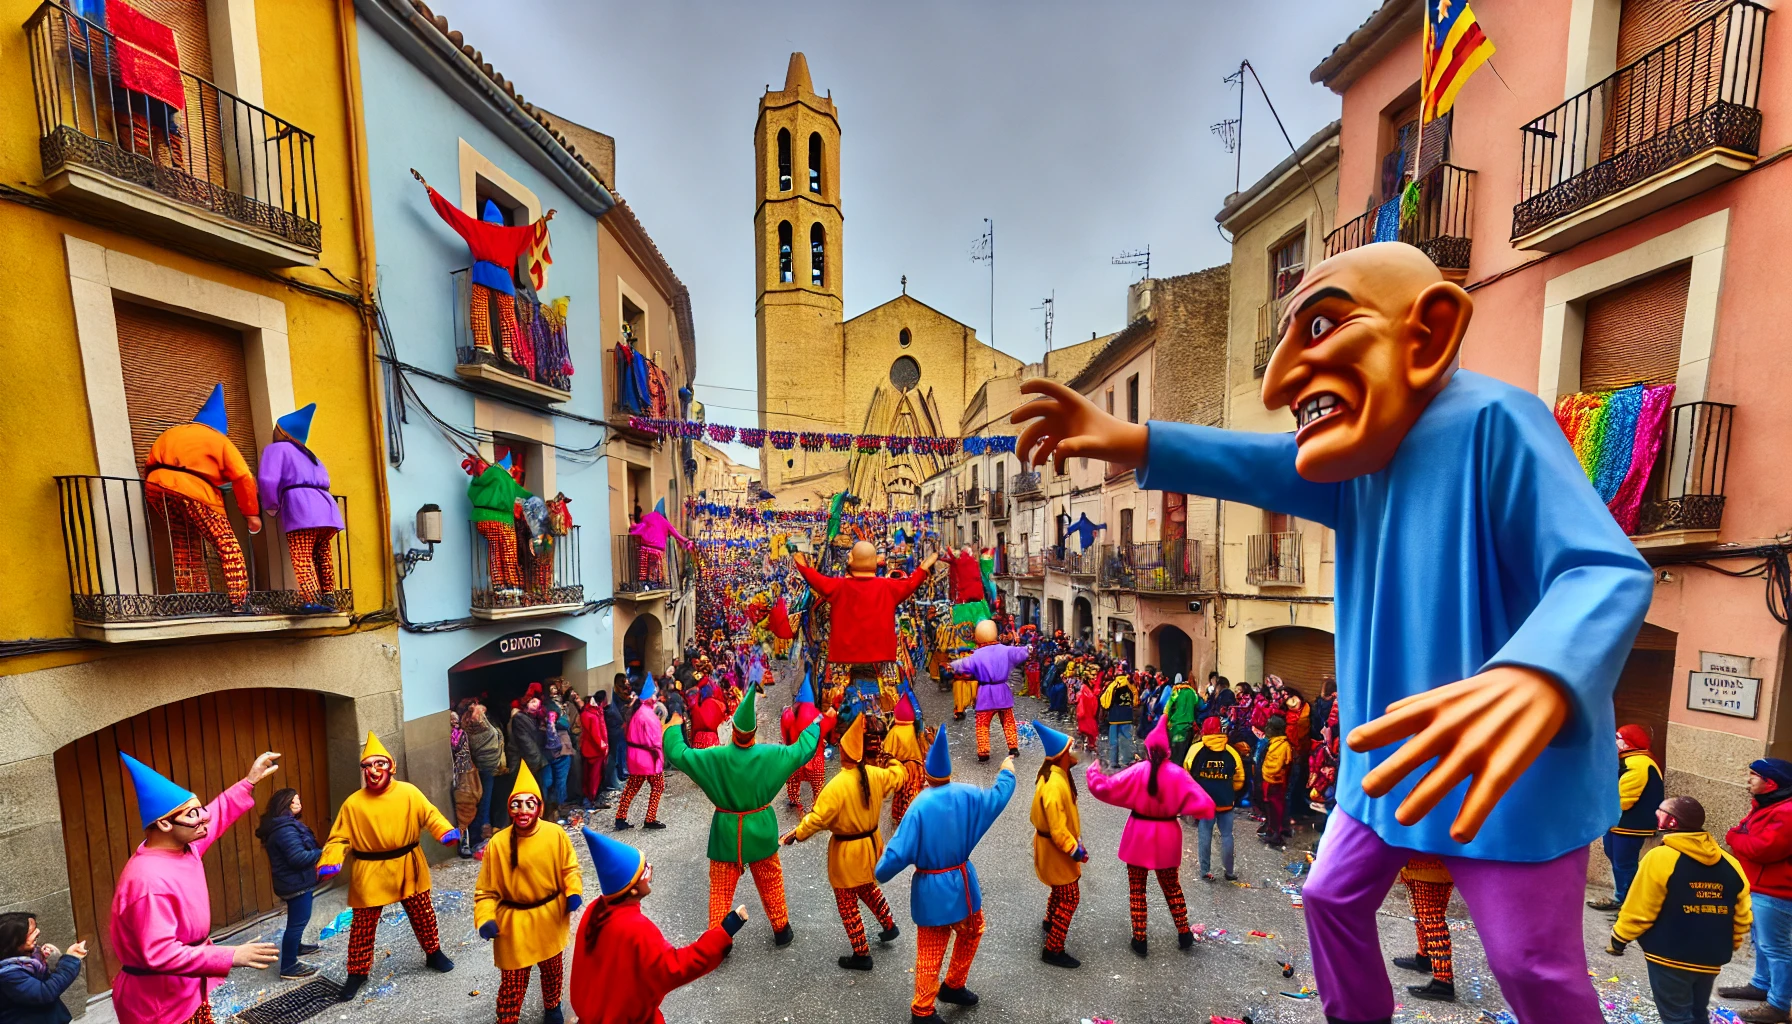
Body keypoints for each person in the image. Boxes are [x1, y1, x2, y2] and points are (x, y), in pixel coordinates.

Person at [1010, 241, 1657, 1024]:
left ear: (1429, 335)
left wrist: (1537, 674)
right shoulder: (1355, 461)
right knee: (1328, 899)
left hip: (1506, 773)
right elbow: (1253, 461)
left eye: (1318, 326)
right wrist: (1135, 441)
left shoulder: (1497, 420)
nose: (1281, 380)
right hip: (1384, 764)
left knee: (1531, 966)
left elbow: (1604, 569)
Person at [110, 752, 280, 1024]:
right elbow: (161, 953)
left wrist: (248, 782)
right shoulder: (148, 882)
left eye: (200, 810)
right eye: (193, 814)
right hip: (160, 1006)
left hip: (186, 990)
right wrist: (230, 954)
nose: (204, 819)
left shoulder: (183, 846)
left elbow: (218, 813)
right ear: (165, 823)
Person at [876, 731, 1015, 1024]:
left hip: (931, 892)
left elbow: (890, 863)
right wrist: (1006, 771)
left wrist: (880, 868)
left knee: (931, 950)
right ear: (949, 771)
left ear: (926, 775)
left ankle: (925, 1007)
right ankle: (952, 985)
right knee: (973, 931)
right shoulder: (968, 794)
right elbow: (998, 797)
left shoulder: (918, 807)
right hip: (963, 885)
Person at [663, 686, 819, 946]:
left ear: (733, 730)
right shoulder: (773, 755)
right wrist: (818, 721)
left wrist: (673, 727)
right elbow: (804, 748)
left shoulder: (715, 757)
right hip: (761, 830)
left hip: (727, 833)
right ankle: (782, 930)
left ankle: (717, 943)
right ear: (754, 732)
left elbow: (679, 754)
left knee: (721, 892)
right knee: (771, 882)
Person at [318, 733, 460, 1002]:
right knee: (362, 926)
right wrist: (330, 860)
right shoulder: (353, 803)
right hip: (369, 871)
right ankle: (357, 973)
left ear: (390, 766)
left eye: (379, 764)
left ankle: (433, 953)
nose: (373, 771)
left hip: (408, 865)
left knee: (423, 913)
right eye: (367, 766)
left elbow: (430, 814)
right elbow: (339, 838)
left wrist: (444, 832)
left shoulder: (409, 792)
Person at [569, 827, 742, 1024]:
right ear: (632, 890)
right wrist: (722, 934)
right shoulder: (637, 928)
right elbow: (674, 968)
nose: (650, 871)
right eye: (644, 871)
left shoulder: (595, 908)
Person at [1609, 797, 1751, 1024]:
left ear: (1672, 822)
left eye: (1661, 811)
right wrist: (1727, 944)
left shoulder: (1659, 857)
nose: (1656, 814)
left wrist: (1619, 938)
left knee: (1676, 1017)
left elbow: (1640, 907)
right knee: (1697, 1013)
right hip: (1711, 956)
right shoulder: (1730, 862)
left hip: (1669, 956)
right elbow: (1742, 914)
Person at [782, 716, 905, 970]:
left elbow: (817, 818)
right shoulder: (876, 775)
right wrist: (889, 758)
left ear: (844, 753)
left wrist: (797, 834)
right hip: (871, 846)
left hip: (847, 854)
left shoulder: (836, 786)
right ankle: (889, 925)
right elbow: (899, 775)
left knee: (847, 904)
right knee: (868, 887)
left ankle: (861, 954)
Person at [1087, 716, 1214, 957]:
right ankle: (1184, 933)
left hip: (1138, 834)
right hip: (1167, 836)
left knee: (1137, 889)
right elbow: (1204, 803)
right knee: (1172, 886)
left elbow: (1107, 788)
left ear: (1147, 748)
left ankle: (1140, 938)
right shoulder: (1178, 774)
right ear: (1167, 751)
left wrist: (1094, 772)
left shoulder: (1137, 771)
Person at [475, 763, 582, 1024]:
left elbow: (570, 869)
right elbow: (485, 890)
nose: (522, 810)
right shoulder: (498, 844)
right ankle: (508, 1018)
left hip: (549, 918)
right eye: (516, 804)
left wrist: (573, 892)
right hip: (514, 925)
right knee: (512, 981)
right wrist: (485, 918)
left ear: (539, 808)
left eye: (528, 804)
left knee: (552, 969)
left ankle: (553, 1006)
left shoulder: (556, 834)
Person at [143, 385, 261, 609]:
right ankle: (240, 602)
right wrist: (251, 514)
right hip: (194, 490)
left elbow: (149, 465)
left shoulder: (170, 433)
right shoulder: (218, 440)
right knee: (227, 545)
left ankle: (192, 600)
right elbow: (243, 476)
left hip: (157, 487)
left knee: (184, 544)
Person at [1722, 758, 1792, 1024]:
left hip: (1777, 891)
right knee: (1761, 943)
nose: (1748, 779)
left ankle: (1778, 1006)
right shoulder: (1766, 805)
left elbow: (1761, 849)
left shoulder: (1786, 812)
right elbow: (1747, 836)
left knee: (1777, 949)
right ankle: (1761, 985)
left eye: (1754, 775)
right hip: (1760, 886)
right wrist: (1741, 837)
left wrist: (1734, 838)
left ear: (1771, 782)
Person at [256, 403, 344, 611]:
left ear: (282, 433)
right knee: (322, 553)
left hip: (302, 509)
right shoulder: (312, 456)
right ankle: (329, 596)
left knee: (302, 555)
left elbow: (267, 479)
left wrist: (271, 505)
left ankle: (312, 601)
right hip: (327, 511)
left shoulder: (277, 449)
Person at [1027, 721, 1088, 969]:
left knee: (1060, 887)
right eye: (1071, 749)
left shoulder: (1055, 775)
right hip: (1055, 848)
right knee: (1070, 895)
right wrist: (1075, 851)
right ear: (1063, 755)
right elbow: (1057, 828)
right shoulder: (1054, 784)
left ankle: (1049, 920)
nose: (1075, 754)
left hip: (1053, 846)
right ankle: (1053, 948)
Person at [1590, 724, 1663, 912]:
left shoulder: (1638, 762)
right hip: (1619, 823)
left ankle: (1628, 903)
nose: (1615, 742)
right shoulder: (1627, 760)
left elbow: (1625, 799)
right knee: (1616, 857)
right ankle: (1622, 897)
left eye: (1618, 738)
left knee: (1624, 862)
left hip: (1631, 824)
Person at [254, 787, 322, 979]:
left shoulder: (283, 826)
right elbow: (298, 858)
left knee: (297, 919)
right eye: (295, 800)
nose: (299, 803)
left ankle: (297, 947)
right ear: (286, 804)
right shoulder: (285, 830)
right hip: (295, 884)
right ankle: (289, 966)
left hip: (292, 882)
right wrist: (323, 853)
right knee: (297, 923)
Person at [949, 620, 1029, 761]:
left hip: (985, 693)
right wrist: (1028, 647)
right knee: (1008, 721)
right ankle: (1013, 747)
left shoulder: (977, 655)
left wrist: (950, 666)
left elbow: (962, 665)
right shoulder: (1005, 650)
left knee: (982, 724)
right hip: (1002, 691)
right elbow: (1022, 652)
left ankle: (983, 752)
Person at [1185, 716, 1245, 881]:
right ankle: (1229, 872)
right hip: (1226, 801)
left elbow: (1186, 774)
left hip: (1204, 803)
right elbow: (1240, 777)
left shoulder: (1195, 749)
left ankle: (1205, 871)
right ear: (1221, 730)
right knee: (1227, 835)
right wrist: (1229, 789)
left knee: (1205, 834)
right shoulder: (1231, 751)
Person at [0, 913, 86, 1024]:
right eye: (31, 932)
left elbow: (43, 979)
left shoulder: (27, 958)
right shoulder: (8, 974)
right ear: (13, 941)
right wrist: (70, 960)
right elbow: (45, 993)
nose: (38, 932)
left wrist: (50, 958)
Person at [1391, 856, 1456, 1002]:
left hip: (1429, 862)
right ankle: (1424, 959)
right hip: (1422, 864)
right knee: (1423, 917)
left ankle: (1443, 981)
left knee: (1431, 919)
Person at [615, 676, 667, 830]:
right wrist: (660, 757)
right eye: (653, 693)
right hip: (648, 758)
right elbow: (655, 741)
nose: (655, 695)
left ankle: (620, 817)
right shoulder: (648, 715)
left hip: (635, 756)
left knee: (632, 786)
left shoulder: (637, 710)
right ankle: (650, 818)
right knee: (658, 785)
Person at [779, 675, 831, 814]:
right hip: (814, 759)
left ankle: (795, 802)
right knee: (818, 785)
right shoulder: (818, 715)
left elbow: (786, 738)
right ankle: (817, 805)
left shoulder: (788, 714)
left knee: (792, 781)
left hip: (795, 758)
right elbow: (824, 732)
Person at [464, 701, 507, 846]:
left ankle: (484, 827)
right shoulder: (480, 727)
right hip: (486, 768)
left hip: (486, 766)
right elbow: (491, 739)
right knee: (484, 800)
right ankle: (480, 832)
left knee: (485, 800)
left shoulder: (470, 725)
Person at [884, 692, 926, 828]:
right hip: (916, 766)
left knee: (901, 794)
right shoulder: (914, 730)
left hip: (900, 768)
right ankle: (914, 816)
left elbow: (886, 750)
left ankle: (901, 817)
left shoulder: (894, 732)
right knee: (913, 792)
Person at [450, 710, 480, 858]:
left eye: (455, 722)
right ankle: (463, 841)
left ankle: (465, 842)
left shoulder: (461, 735)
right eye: (451, 723)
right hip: (457, 774)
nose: (454, 725)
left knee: (465, 808)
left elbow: (462, 754)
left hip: (463, 774)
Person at [1259, 714, 1292, 847]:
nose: (1266, 729)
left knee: (1275, 807)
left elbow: (1278, 766)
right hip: (1270, 781)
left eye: (1269, 726)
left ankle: (1276, 833)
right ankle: (1272, 829)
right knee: (1270, 806)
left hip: (1275, 782)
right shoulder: (1274, 743)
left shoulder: (1282, 746)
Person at [1100, 670, 1139, 766]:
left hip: (1114, 717)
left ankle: (1113, 762)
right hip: (1127, 717)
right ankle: (1127, 760)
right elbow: (1135, 701)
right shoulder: (1130, 686)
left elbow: (1104, 701)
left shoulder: (1112, 685)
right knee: (1127, 739)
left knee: (1113, 741)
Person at [579, 693, 610, 811]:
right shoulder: (593, 715)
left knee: (588, 775)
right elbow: (596, 734)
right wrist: (604, 747)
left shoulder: (586, 712)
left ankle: (589, 798)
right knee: (595, 776)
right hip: (596, 751)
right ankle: (592, 799)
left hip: (588, 748)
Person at [604, 677, 629, 797]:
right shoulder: (612, 702)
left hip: (618, 730)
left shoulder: (614, 699)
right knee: (615, 757)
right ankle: (615, 781)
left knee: (619, 754)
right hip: (614, 732)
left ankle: (619, 777)